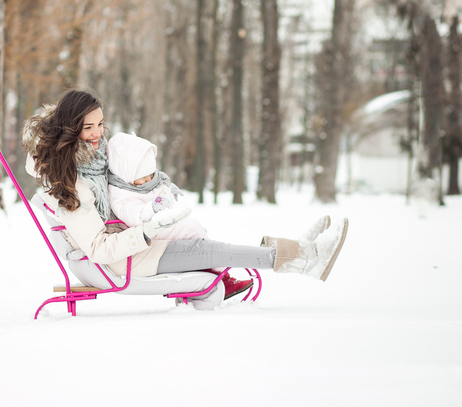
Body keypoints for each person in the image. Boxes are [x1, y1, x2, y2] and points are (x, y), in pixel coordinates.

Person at [21, 89, 349, 307]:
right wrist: (147, 230)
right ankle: (304, 258)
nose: (98, 134)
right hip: (121, 260)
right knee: (210, 249)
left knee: (207, 245)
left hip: (133, 248)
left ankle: (298, 253)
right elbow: (98, 249)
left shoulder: (94, 164)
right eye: (88, 127)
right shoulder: (71, 186)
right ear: (69, 129)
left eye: (100, 124)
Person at [106, 131, 256, 298]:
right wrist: (151, 208)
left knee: (197, 233)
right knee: (193, 230)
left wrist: (167, 190)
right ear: (126, 173)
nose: (149, 180)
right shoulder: (120, 194)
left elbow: (158, 188)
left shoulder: (142, 182)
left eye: (151, 174)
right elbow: (134, 215)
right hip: (147, 233)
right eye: (144, 177)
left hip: (160, 226)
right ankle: (223, 276)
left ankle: (213, 274)